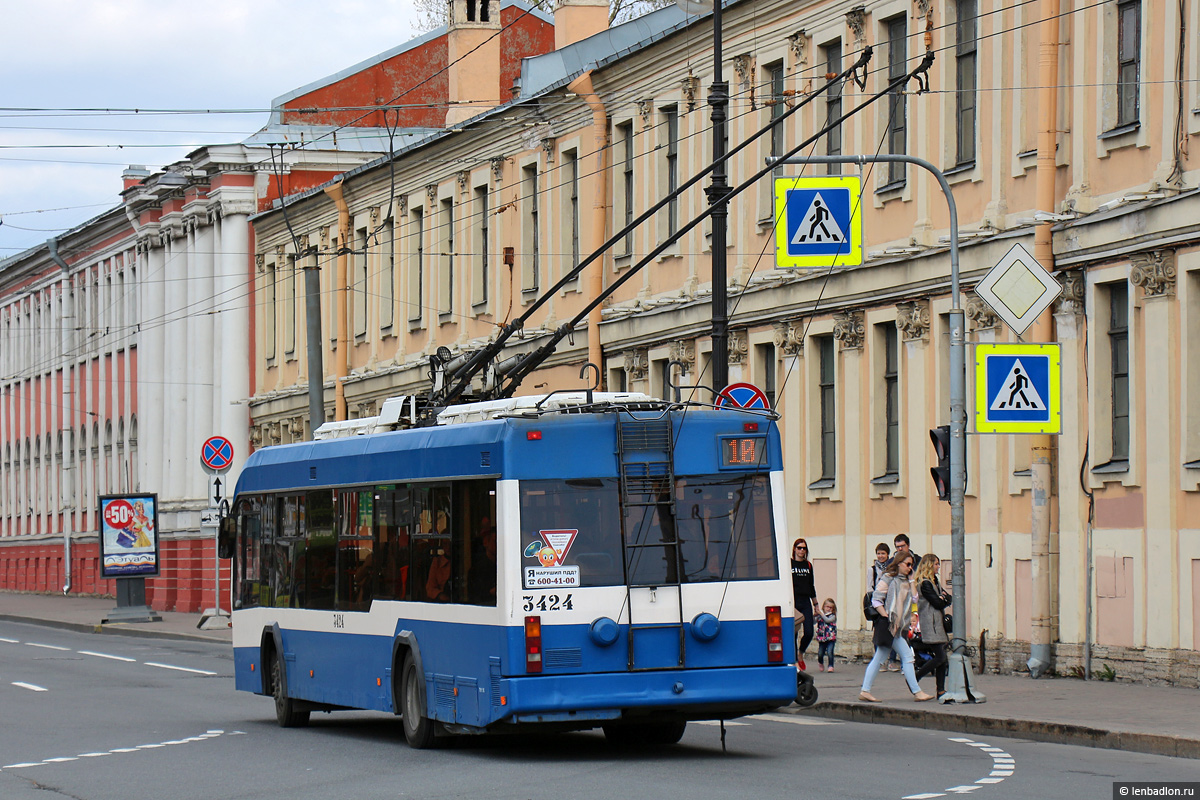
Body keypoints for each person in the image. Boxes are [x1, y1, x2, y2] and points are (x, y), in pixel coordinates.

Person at [859, 551, 934, 703]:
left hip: (898, 626)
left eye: (912, 565)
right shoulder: (888, 578)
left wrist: (912, 580)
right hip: (889, 625)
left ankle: (865, 691)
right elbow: (876, 599)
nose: (910, 567)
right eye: (907, 564)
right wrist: (886, 617)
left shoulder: (906, 581)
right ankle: (917, 692)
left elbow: (915, 599)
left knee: (879, 658)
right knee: (907, 657)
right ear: (898, 563)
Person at [913, 553, 951, 698]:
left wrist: (944, 598)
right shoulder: (925, 583)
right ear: (929, 565)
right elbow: (938, 602)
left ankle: (940, 690)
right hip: (931, 623)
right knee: (940, 657)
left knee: (942, 658)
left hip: (937, 622)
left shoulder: (934, 581)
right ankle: (915, 677)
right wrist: (943, 599)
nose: (938, 566)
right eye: (936, 564)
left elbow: (947, 598)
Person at [791, 538, 818, 671]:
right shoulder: (789, 564)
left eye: (804, 548)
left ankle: (801, 652)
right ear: (795, 549)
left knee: (809, 632)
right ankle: (795, 661)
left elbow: (811, 586)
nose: (802, 550)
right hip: (794, 602)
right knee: (793, 634)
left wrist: (816, 605)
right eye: (799, 547)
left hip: (806, 602)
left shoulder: (808, 565)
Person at [815, 598, 837, 672]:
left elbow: (827, 620)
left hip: (831, 637)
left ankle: (831, 666)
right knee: (820, 653)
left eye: (831, 608)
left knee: (830, 652)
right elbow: (813, 621)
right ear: (823, 607)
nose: (829, 609)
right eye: (827, 607)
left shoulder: (832, 616)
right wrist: (815, 615)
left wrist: (821, 614)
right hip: (822, 637)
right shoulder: (820, 615)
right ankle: (820, 662)